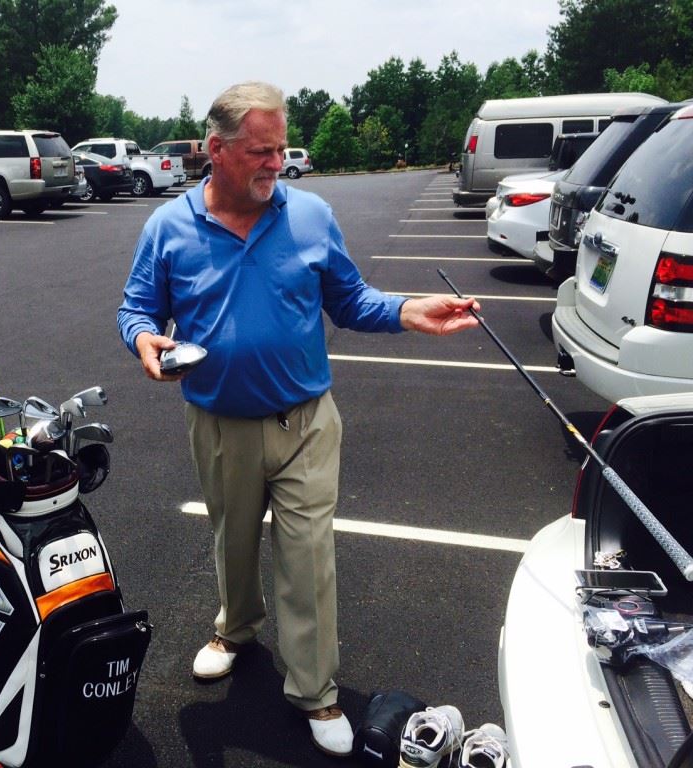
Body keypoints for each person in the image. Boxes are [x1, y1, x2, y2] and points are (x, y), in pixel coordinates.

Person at [116, 81, 479, 758]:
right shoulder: (168, 227)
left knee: (309, 559)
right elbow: (136, 308)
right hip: (219, 422)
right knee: (232, 541)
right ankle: (235, 629)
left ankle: (315, 693)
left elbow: (351, 300)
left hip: (306, 422)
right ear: (216, 151)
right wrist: (143, 340)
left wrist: (408, 312)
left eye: (281, 148)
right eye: (261, 150)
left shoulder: (310, 216)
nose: (275, 162)